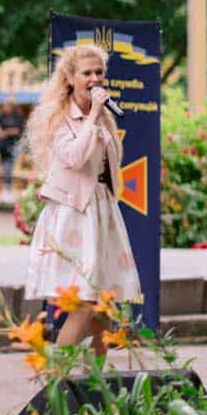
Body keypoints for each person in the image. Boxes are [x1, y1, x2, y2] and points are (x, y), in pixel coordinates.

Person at [21, 43, 142, 351]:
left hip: (101, 209)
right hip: (74, 213)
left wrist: (98, 117)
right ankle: (55, 377)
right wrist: (93, 118)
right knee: (84, 302)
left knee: (102, 306)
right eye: (87, 73)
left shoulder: (102, 117)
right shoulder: (60, 118)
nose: (94, 79)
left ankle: (97, 387)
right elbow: (74, 157)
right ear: (70, 78)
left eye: (99, 72)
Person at [0, 99, 25, 200]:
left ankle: (8, 190)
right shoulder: (1, 114)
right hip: (3, 146)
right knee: (5, 168)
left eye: (8, 106)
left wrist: (6, 132)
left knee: (10, 168)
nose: (6, 108)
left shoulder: (18, 115)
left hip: (14, 145)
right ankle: (6, 190)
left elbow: (18, 130)